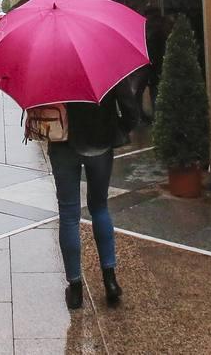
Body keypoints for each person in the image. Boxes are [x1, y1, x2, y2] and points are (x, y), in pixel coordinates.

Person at [49, 76, 139, 310]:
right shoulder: (103, 56)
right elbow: (130, 107)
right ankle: (110, 280)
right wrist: (118, 128)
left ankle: (76, 288)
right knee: (100, 208)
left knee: (68, 215)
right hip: (100, 142)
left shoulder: (50, 60)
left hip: (62, 143)